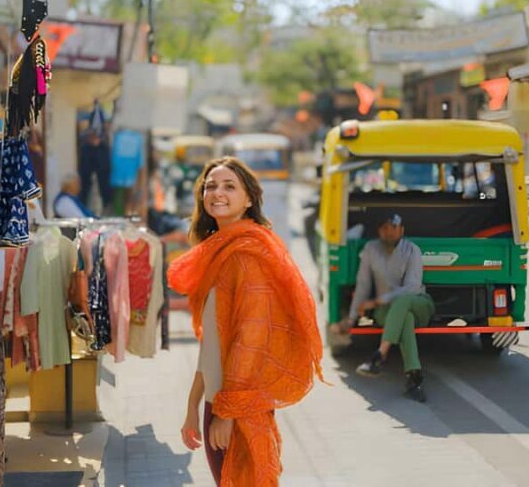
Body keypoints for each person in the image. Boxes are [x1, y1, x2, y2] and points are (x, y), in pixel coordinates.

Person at [168, 157, 323, 486]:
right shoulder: (219, 252)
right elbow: (212, 344)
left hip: (237, 404)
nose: (217, 192)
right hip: (218, 401)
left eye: (229, 186)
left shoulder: (245, 255)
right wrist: (193, 405)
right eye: (210, 186)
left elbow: (250, 340)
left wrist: (226, 412)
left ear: (249, 199)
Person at [336, 213, 434, 402]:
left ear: (401, 230)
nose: (389, 232)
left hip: (418, 302)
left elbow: (413, 287)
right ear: (380, 231)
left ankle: (380, 354)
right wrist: (351, 317)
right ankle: (414, 378)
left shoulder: (412, 249)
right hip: (389, 311)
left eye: (394, 227)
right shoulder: (370, 249)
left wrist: (379, 301)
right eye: (385, 228)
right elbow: (363, 284)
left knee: (404, 301)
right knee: (405, 318)